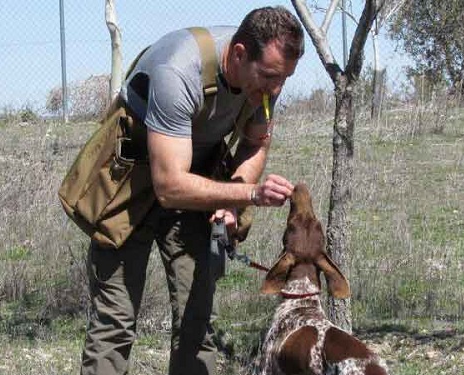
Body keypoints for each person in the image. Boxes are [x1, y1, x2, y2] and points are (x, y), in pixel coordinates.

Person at [79, 6, 305, 375]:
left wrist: (231, 197)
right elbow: (168, 186)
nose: (276, 89)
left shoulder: (264, 82)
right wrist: (248, 195)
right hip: (130, 186)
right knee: (114, 323)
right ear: (238, 55)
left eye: (285, 78)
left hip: (198, 184)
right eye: (270, 76)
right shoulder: (178, 69)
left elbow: (255, 143)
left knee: (198, 318)